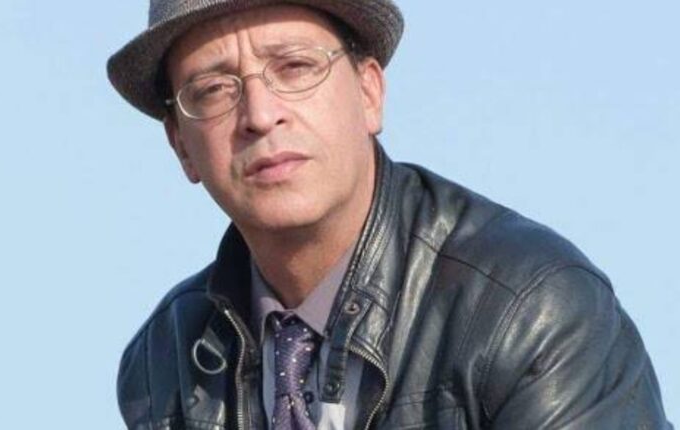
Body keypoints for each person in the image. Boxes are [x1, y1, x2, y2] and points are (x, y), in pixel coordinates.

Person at [107, 1, 672, 429]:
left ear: (369, 92)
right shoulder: (165, 359)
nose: (259, 114)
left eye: (295, 66)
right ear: (181, 146)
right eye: (212, 90)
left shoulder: (530, 308)